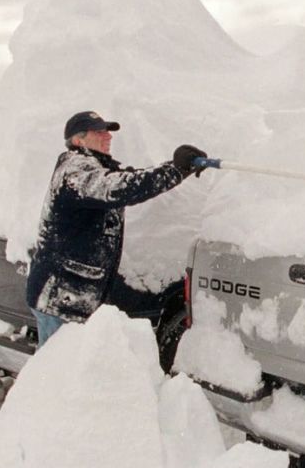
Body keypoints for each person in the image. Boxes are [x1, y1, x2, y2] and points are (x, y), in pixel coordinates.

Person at [25, 110, 208, 348]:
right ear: (78, 140)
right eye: (99, 132)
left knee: (68, 372)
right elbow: (121, 188)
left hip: (73, 298)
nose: (108, 136)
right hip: (60, 300)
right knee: (55, 375)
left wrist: (178, 167)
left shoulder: (91, 168)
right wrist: (174, 171)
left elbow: (129, 178)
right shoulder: (75, 171)